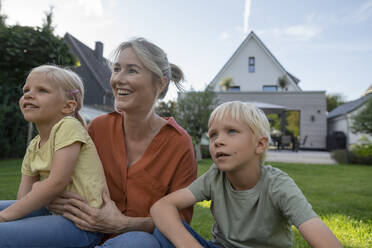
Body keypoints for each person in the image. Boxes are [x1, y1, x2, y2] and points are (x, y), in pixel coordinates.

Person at [48, 37, 198, 247]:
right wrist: (58, 196)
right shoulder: (99, 128)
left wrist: (123, 224)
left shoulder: (179, 143)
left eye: (132, 70)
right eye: (116, 69)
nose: (118, 79)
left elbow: (181, 220)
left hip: (139, 241)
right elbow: (67, 180)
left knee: (140, 242)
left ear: (161, 82)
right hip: (82, 231)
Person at [151, 101, 343, 248]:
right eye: (213, 135)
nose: (218, 141)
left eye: (231, 131)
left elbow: (318, 232)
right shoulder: (214, 177)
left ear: (260, 144)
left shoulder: (278, 184)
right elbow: (161, 207)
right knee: (163, 231)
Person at [0, 65, 107, 247]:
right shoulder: (34, 145)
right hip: (52, 213)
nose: (29, 95)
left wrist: (5, 216)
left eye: (42, 90)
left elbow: (57, 182)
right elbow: (23, 197)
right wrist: (12, 215)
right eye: (26, 90)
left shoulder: (69, 127)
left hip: (82, 224)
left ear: (68, 106)